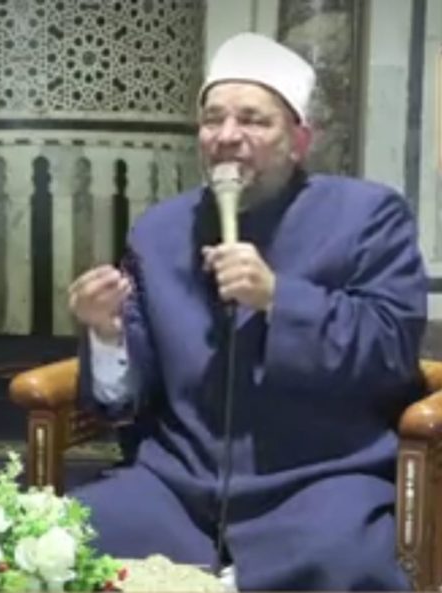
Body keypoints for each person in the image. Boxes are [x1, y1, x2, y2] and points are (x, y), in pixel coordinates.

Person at [68, 32, 426, 590]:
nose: (227, 136)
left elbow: (389, 352)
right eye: (213, 120)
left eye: (253, 120)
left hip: (317, 480)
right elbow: (126, 398)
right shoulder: (160, 231)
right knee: (65, 540)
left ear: (300, 140)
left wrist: (279, 297)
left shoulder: (368, 216)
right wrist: (106, 334)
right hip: (177, 484)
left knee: (346, 565)